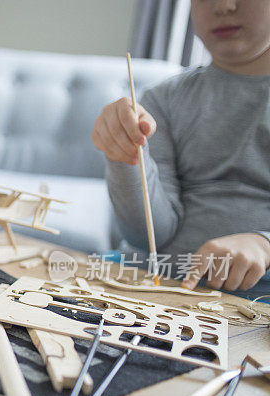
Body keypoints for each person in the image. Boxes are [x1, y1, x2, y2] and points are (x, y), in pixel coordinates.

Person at [92, 0, 270, 296]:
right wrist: (123, 156)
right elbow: (146, 235)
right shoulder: (163, 100)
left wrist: (264, 243)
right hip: (144, 278)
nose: (224, 6)